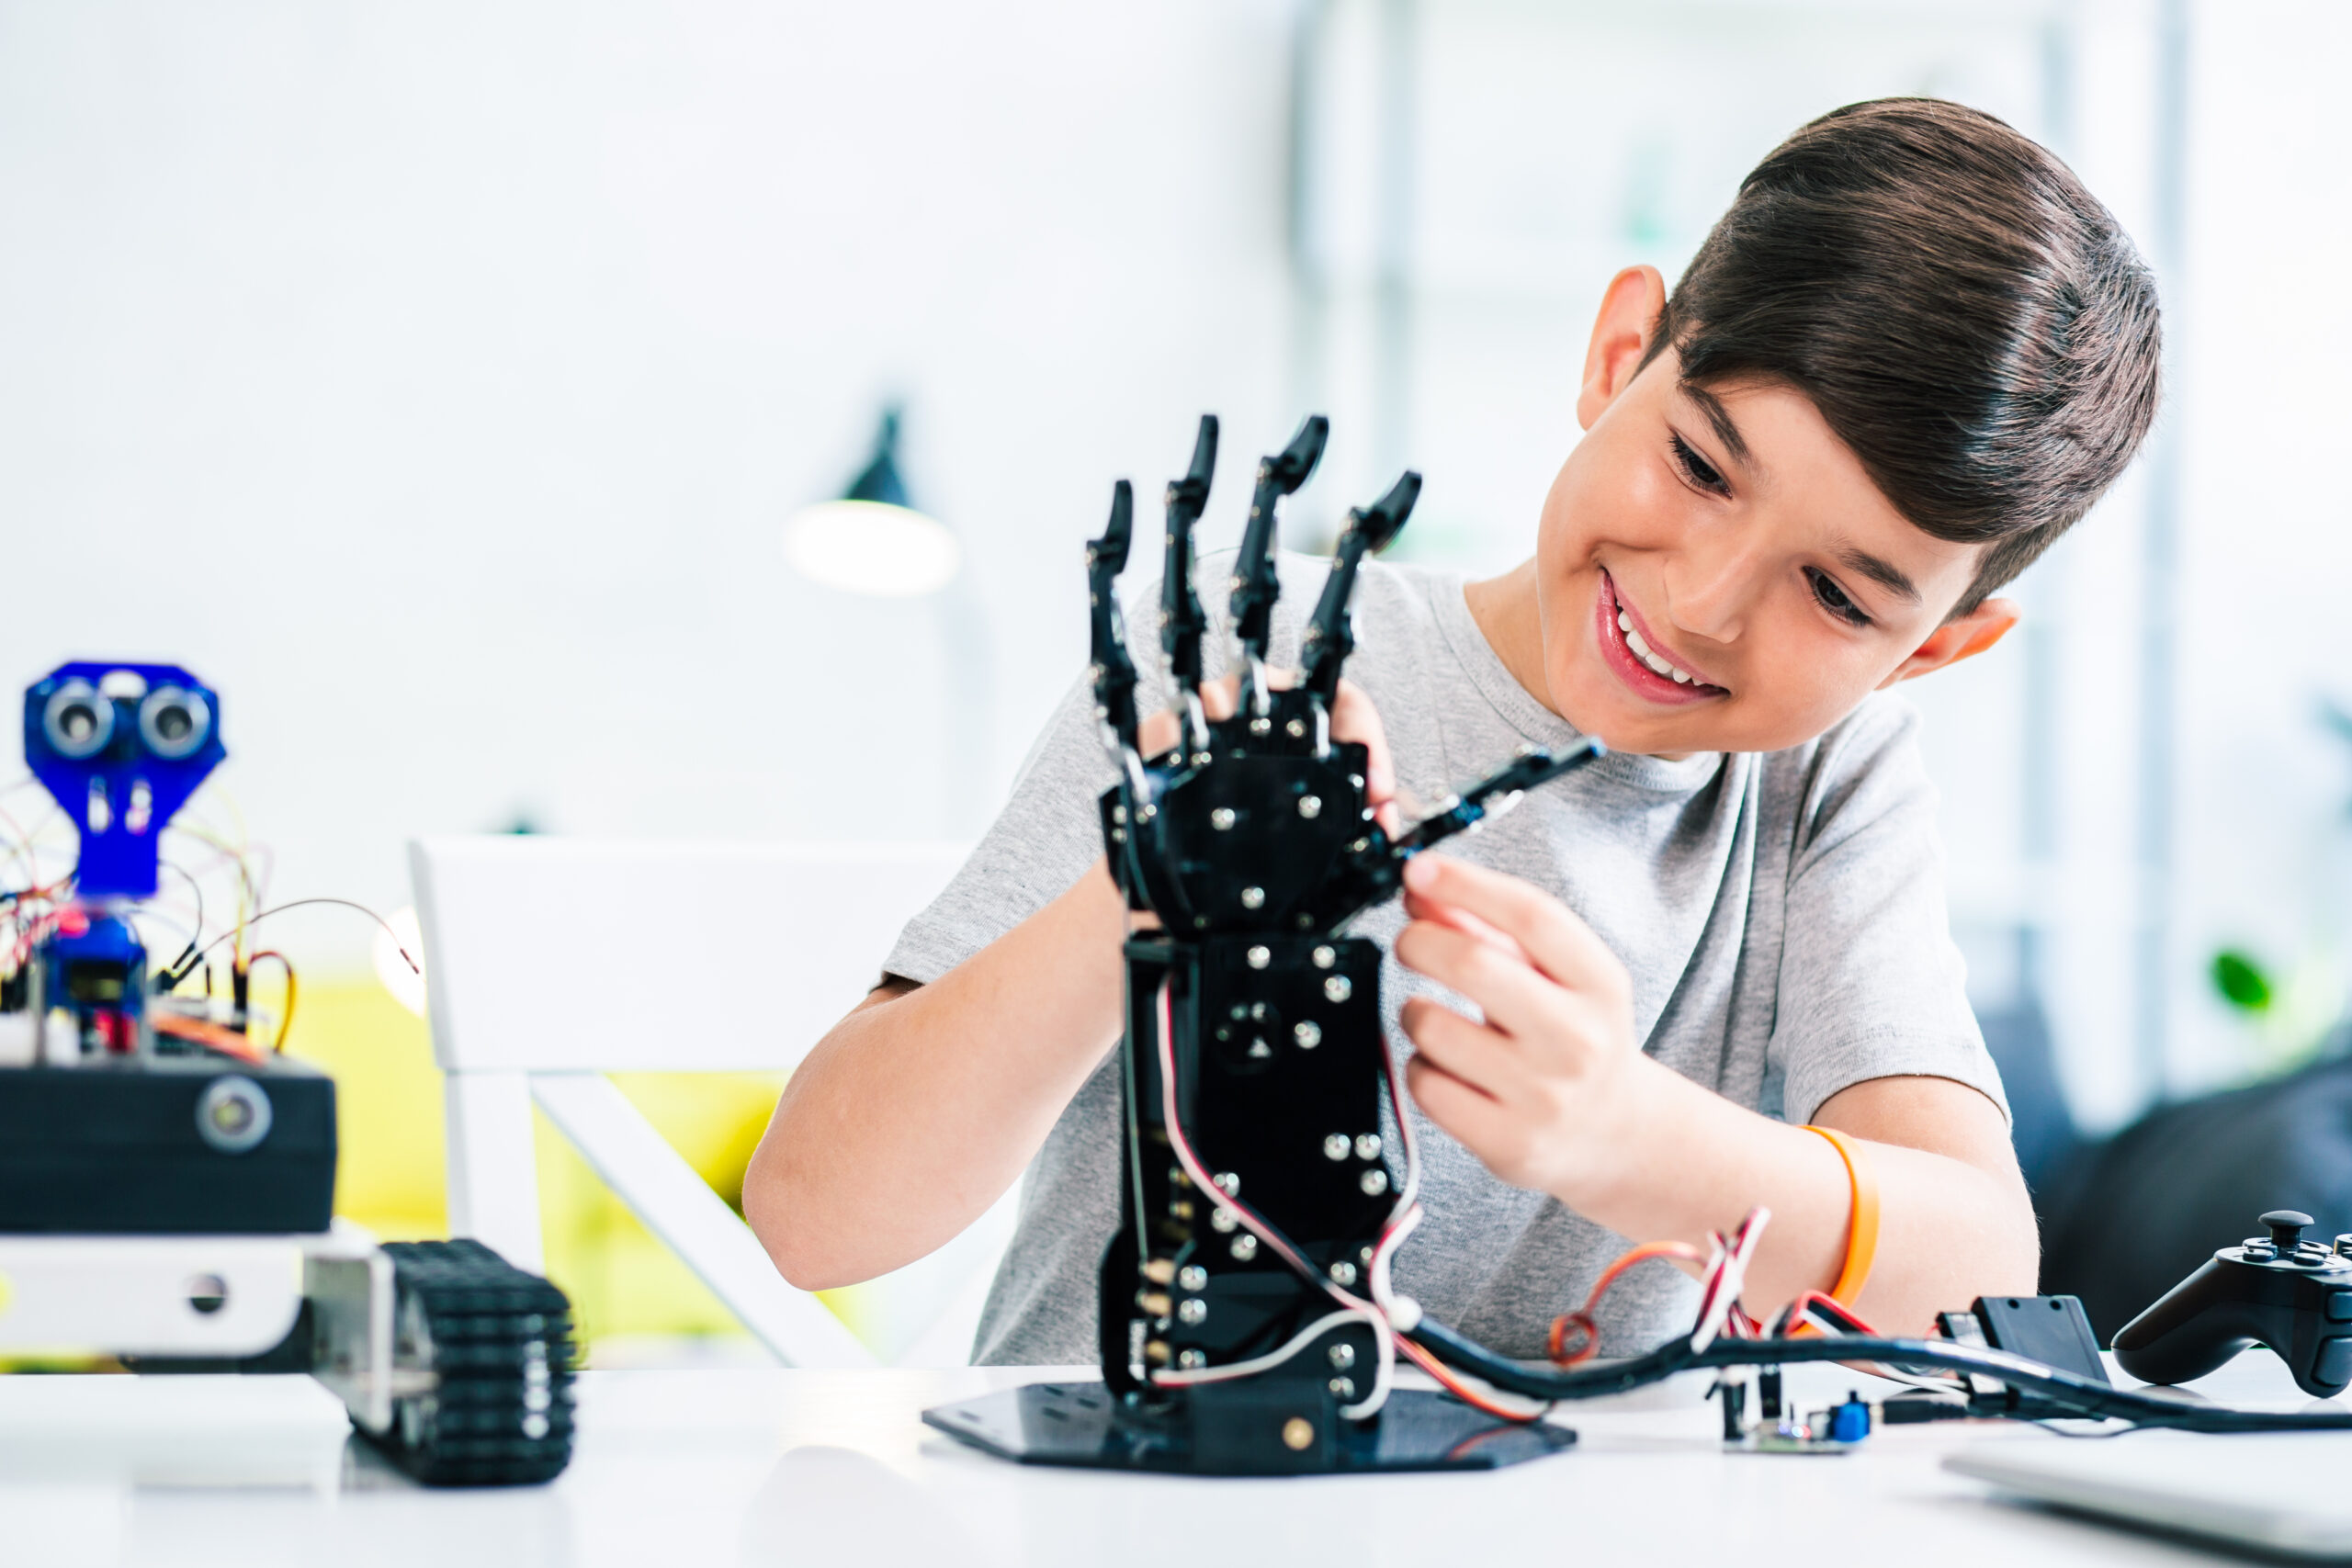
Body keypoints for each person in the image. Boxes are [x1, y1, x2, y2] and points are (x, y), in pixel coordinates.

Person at [743, 98, 2162, 1363]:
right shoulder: (1260, 658)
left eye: (1841, 595)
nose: (1703, 600)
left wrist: (1625, 1135)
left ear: (1941, 648)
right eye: (1698, 464)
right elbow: (816, 1219)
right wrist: (1151, 874)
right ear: (1620, 355)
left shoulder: (1825, 784)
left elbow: (1977, 1269)